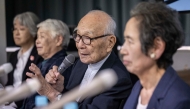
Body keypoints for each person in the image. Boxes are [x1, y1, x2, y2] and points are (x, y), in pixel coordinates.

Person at [27, 10, 133, 109]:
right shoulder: (80, 64)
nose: (80, 45)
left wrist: (51, 93)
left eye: (88, 38)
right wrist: (59, 90)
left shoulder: (118, 79)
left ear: (110, 42)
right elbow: (73, 104)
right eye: (78, 36)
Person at [120, 2, 190, 109]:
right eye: (125, 41)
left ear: (156, 47)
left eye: (130, 41)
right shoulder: (137, 87)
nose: (123, 50)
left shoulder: (179, 101)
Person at [22, 19, 71, 109]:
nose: (37, 41)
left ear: (58, 40)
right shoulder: (42, 62)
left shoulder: (61, 65)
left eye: (42, 36)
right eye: (37, 37)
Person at [6, 12, 43, 108]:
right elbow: (10, 83)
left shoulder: (39, 55)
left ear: (33, 31)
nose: (16, 33)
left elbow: (34, 88)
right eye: (15, 29)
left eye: (22, 29)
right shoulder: (14, 55)